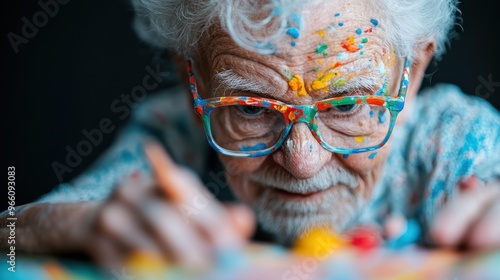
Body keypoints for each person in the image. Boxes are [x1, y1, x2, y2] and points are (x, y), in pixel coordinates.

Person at [1, 0, 499, 269]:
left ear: (411, 75)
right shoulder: (171, 137)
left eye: (346, 104)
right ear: (190, 76)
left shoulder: (456, 143)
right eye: (251, 108)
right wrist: (79, 226)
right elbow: (10, 234)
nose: (301, 160)